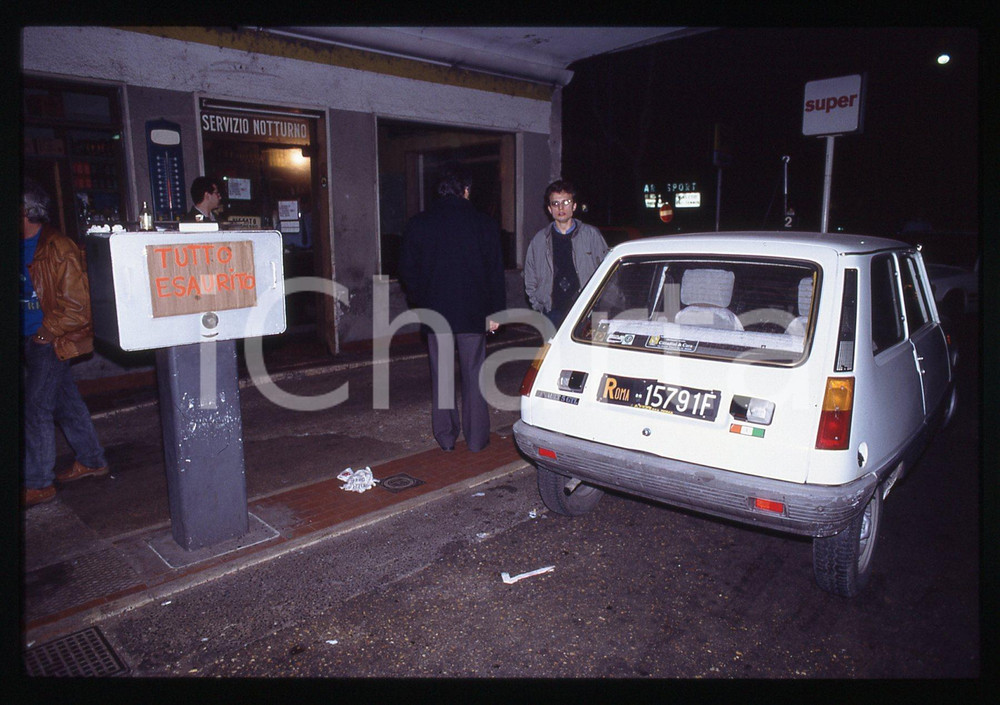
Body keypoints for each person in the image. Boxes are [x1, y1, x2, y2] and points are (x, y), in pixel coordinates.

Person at [398, 165, 506, 452]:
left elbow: (407, 271)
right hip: (474, 312)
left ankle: (446, 438)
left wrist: (421, 300)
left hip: (436, 313)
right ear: (466, 190)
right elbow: (495, 272)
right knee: (474, 375)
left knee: (442, 377)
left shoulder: (419, 223)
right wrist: (496, 311)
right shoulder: (484, 223)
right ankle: (476, 439)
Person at [20, 177, 108, 507]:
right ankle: (92, 460)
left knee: (35, 408)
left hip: (49, 340)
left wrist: (46, 332)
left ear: (27, 210)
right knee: (64, 403)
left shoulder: (58, 247)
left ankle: (39, 482)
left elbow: (79, 306)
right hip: (31, 339)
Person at [524, 179, 609, 327]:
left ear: (574, 206)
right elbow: (530, 277)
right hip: (553, 313)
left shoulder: (591, 235)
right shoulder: (539, 240)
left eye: (566, 202)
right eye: (555, 203)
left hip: (587, 311)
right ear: (549, 209)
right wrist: (539, 306)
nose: (560, 207)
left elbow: (608, 272)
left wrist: (604, 305)